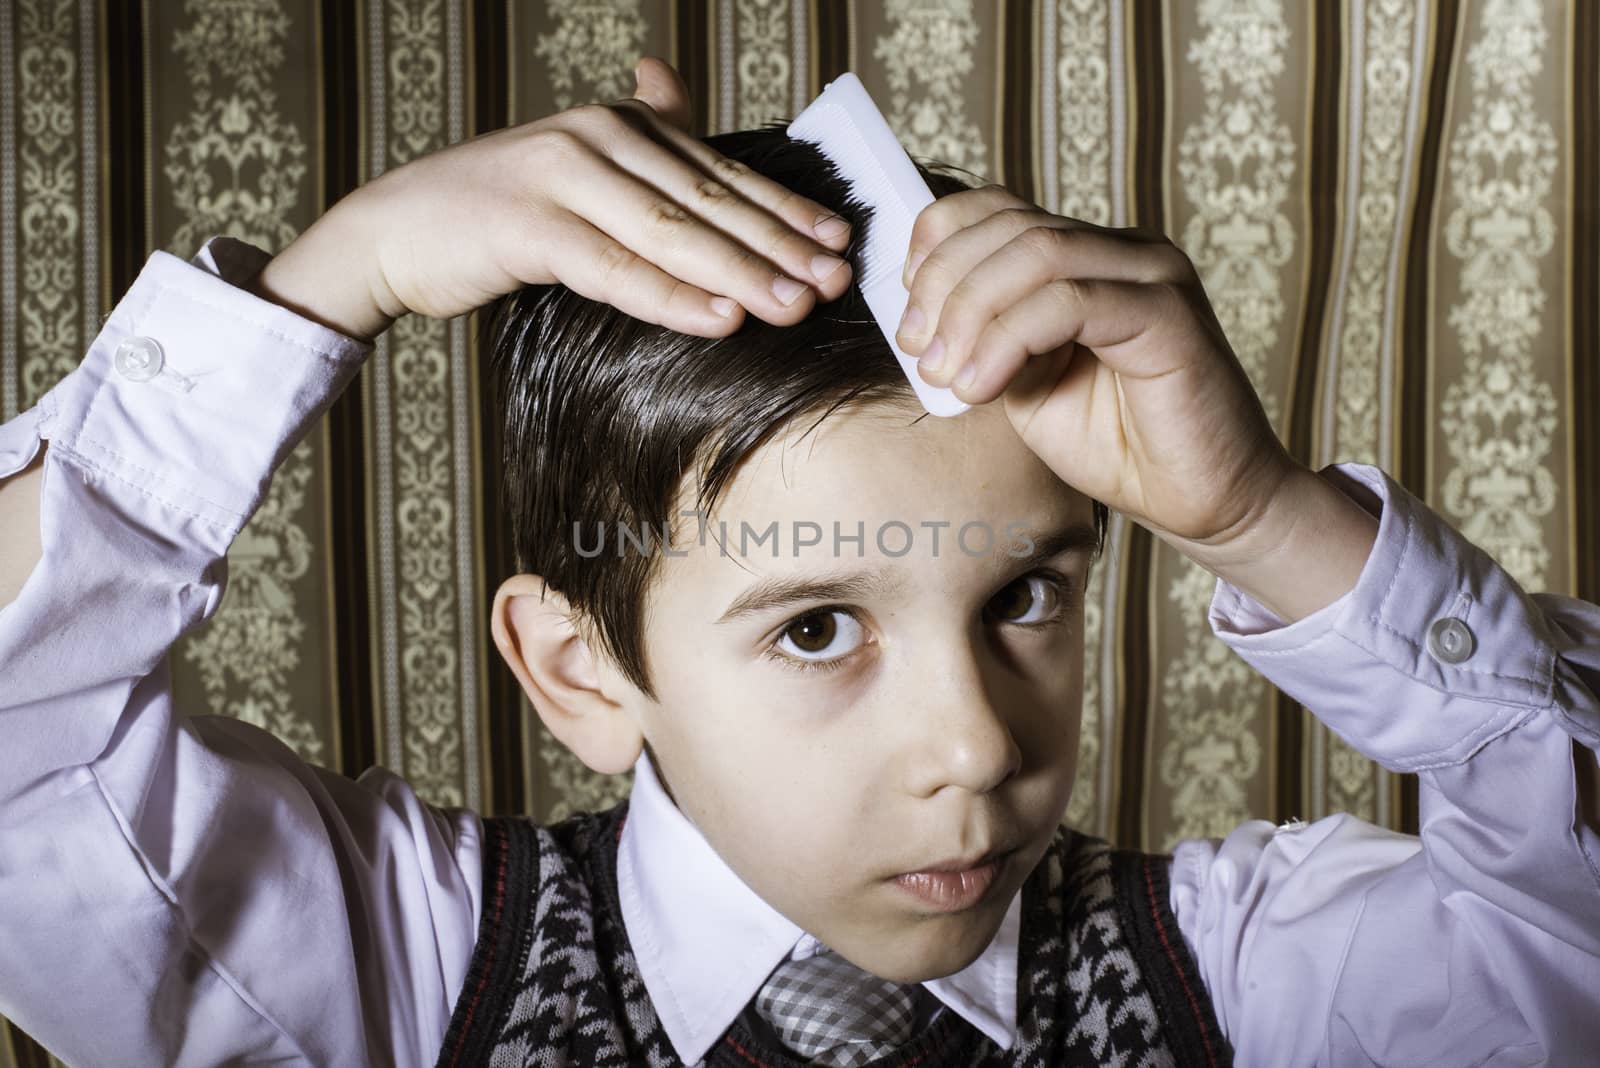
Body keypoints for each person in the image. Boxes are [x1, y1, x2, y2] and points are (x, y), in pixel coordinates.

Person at [0, 55, 1595, 1067]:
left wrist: (1261, 519)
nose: (977, 744)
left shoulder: (1245, 978)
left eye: (1024, 596)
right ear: (580, 670)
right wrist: (331, 278)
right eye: (821, 625)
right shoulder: (394, 986)